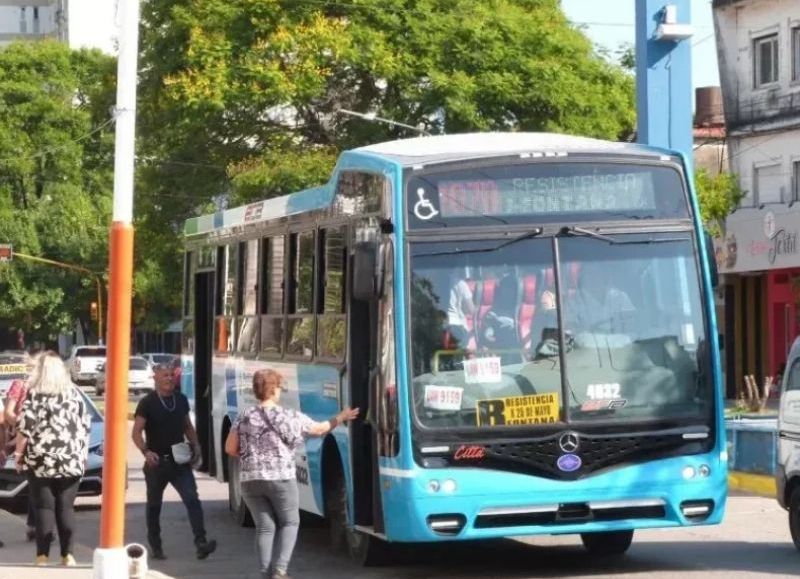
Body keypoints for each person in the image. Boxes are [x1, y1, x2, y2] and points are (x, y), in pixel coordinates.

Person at [224, 369, 359, 579]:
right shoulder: (288, 416)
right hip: (280, 479)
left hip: (250, 480)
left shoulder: (244, 417)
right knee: (290, 522)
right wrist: (341, 416)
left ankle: (265, 574)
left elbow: (230, 448)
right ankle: (280, 570)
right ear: (274, 390)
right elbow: (319, 429)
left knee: (265, 526)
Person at [132, 364, 217, 561]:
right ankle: (156, 545)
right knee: (154, 505)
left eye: (172, 375)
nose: (169, 379)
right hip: (156, 464)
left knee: (192, 500)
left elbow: (187, 425)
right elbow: (136, 432)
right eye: (165, 375)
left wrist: (196, 444)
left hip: (179, 462)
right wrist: (146, 451)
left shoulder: (181, 399)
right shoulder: (147, 403)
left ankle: (201, 543)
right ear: (155, 378)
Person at [14, 351, 90, 567]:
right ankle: (68, 555)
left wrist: (19, 456)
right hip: (71, 458)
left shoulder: (35, 395)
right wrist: (81, 454)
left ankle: (42, 557)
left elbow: (24, 429)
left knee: (44, 508)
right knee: (66, 507)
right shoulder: (76, 395)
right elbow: (84, 427)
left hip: (41, 459)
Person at [5, 352, 39, 542]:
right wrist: (22, 426)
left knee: (39, 484)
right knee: (35, 483)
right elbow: (9, 412)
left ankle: (37, 524)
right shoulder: (20, 385)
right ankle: (35, 525)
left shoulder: (49, 387)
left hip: (45, 440)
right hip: (26, 439)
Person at [447, 275, 476, 347]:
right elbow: (470, 309)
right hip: (457, 326)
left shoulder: (433, 282)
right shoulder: (460, 284)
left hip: (439, 326)